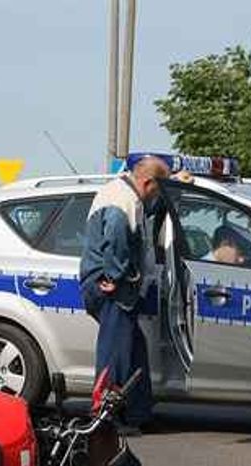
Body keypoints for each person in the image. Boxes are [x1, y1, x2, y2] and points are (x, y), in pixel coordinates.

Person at [79, 154, 171, 434]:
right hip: (111, 286)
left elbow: (149, 217)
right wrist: (117, 276)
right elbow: (116, 235)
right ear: (147, 182)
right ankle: (105, 419)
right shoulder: (124, 201)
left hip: (112, 283)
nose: (156, 196)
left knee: (133, 350)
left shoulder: (125, 193)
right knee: (115, 354)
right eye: (158, 189)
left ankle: (138, 413)